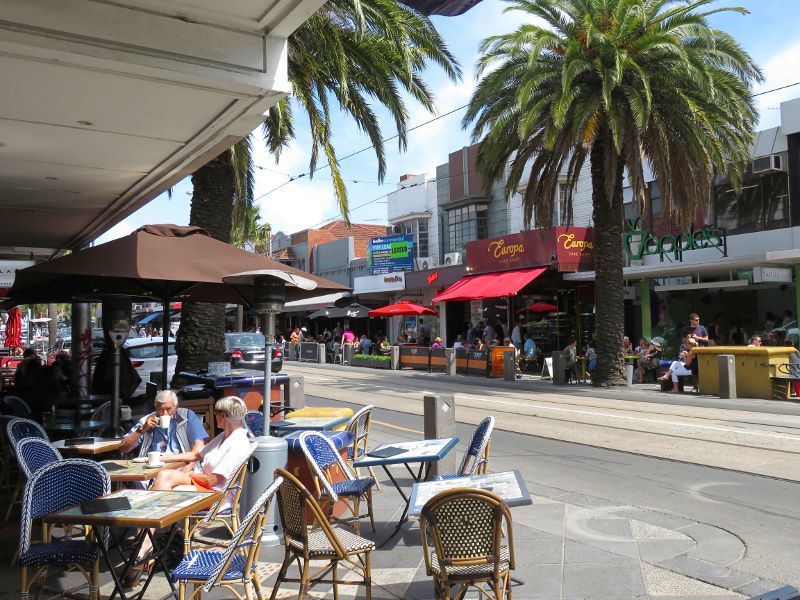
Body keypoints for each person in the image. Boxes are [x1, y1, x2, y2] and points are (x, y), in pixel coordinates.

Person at [126, 396, 253, 585]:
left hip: (216, 494)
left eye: (217, 414)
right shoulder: (224, 435)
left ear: (224, 416)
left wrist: (187, 475)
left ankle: (145, 544)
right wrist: (163, 459)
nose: (214, 418)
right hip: (203, 484)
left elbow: (213, 479)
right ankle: (149, 541)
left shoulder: (237, 442)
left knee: (165, 492)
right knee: (164, 477)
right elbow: (196, 454)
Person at [118, 390, 208, 459]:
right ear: (156, 408)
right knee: (138, 482)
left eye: (169, 409)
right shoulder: (147, 420)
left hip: (179, 465)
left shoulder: (187, 416)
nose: (164, 413)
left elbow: (199, 448)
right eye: (160, 409)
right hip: (152, 466)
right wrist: (141, 430)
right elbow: (123, 448)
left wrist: (185, 470)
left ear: (176, 407)